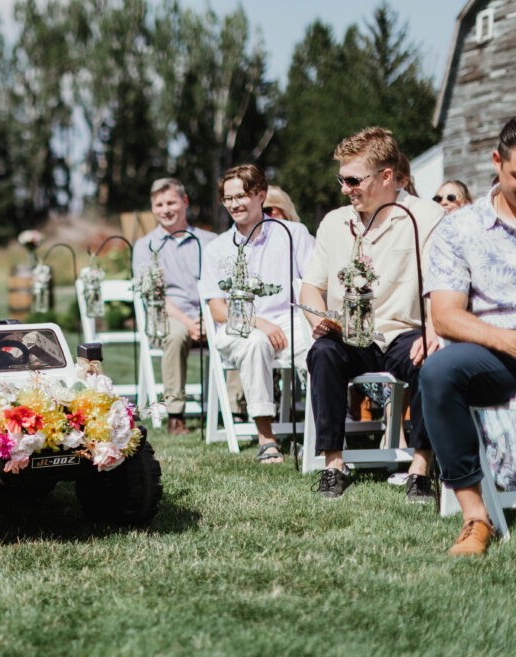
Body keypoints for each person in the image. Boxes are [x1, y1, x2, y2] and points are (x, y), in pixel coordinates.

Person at [300, 127, 445, 500]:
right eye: (341, 179)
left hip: (404, 331)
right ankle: (334, 466)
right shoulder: (334, 222)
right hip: (350, 334)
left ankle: (420, 469)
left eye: (353, 180)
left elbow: (439, 285)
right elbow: (310, 285)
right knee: (322, 353)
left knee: (433, 361)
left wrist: (435, 331)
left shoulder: (425, 216)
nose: (345, 188)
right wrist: (318, 320)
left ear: (386, 176)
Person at [420, 117, 516, 555]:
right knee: (439, 372)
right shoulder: (460, 229)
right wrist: (506, 339)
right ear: (497, 162)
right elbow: (445, 316)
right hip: (494, 353)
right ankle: (476, 518)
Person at [200, 164, 315, 463]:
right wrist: (258, 323)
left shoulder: (295, 234)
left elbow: (313, 285)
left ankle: (322, 434)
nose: (235, 204)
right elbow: (217, 309)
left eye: (242, 195)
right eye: (228, 198)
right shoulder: (216, 248)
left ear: (261, 195)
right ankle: (267, 437)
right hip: (240, 327)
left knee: (322, 349)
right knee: (255, 342)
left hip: (290, 322)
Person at [132, 178, 216, 434]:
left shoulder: (210, 240)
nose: (165, 209)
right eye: (158, 204)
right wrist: (190, 323)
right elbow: (154, 297)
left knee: (233, 328)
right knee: (177, 333)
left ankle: (237, 407)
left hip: (209, 312)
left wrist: (206, 317)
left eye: (171, 202)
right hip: (169, 316)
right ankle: (175, 414)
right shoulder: (145, 246)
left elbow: (220, 287)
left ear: (185, 202)